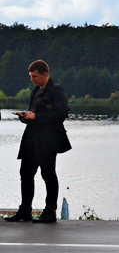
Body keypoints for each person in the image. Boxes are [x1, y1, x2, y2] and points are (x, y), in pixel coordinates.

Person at [6, 60, 71, 223]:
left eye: (35, 76)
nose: (32, 79)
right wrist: (26, 117)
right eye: (30, 76)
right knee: (25, 174)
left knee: (48, 174)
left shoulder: (56, 91)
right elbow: (34, 114)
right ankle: (25, 211)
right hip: (31, 138)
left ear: (45, 74)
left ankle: (50, 213)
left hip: (48, 140)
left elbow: (62, 114)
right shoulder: (35, 92)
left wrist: (36, 116)